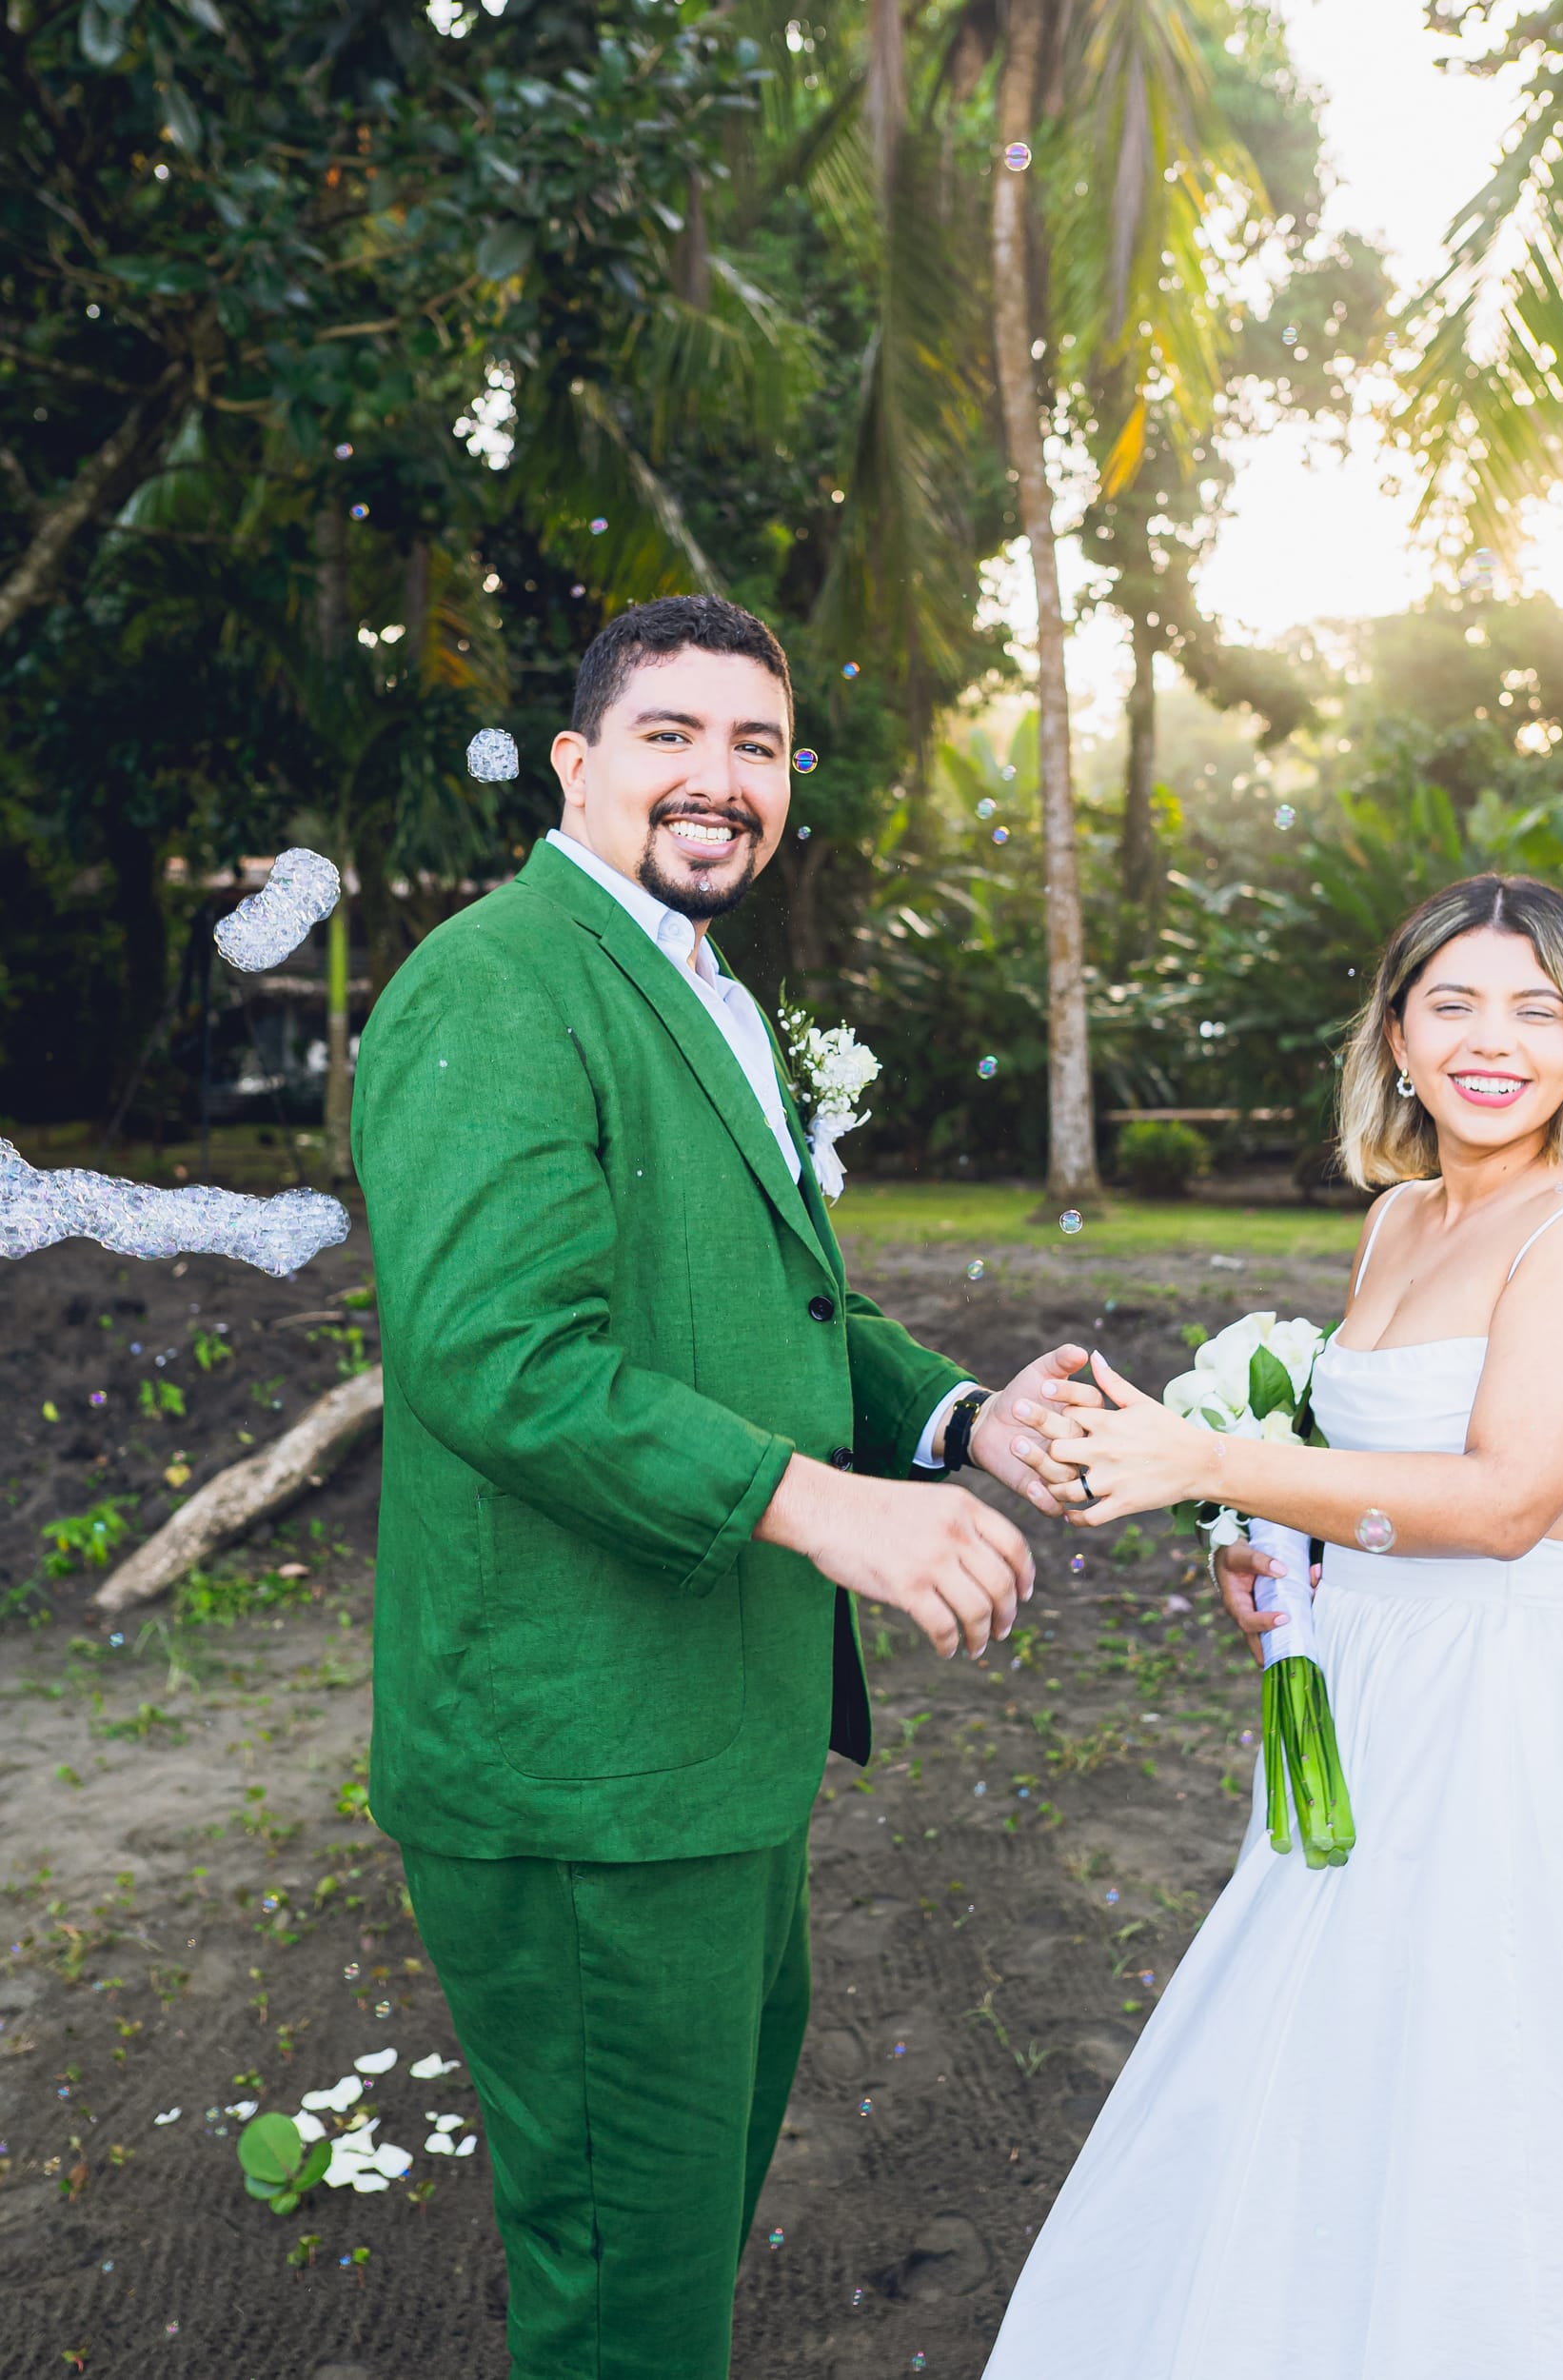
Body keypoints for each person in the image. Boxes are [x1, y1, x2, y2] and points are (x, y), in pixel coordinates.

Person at [350, 594, 1093, 2380]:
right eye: (671, 736)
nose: (720, 778)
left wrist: (961, 1421)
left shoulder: (707, 990)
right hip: (584, 1767)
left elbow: (772, 1303)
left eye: (757, 745)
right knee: (632, 2300)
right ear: (576, 764)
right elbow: (500, 1357)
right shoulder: (498, 983)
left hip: (714, 1749)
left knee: (673, 2237)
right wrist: (831, 1508)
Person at [984, 873, 1563, 2378]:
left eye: (1535, 1009)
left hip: (1513, 1715)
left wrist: (1208, 1463)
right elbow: (1380, 1474)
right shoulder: (1398, 1220)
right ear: (1396, 1036)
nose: (1491, 1042)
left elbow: (1507, 1502)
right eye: (1452, 1004)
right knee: (1335, 2070)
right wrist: (1277, 1550)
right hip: (1374, 1691)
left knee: (1495, 2092)